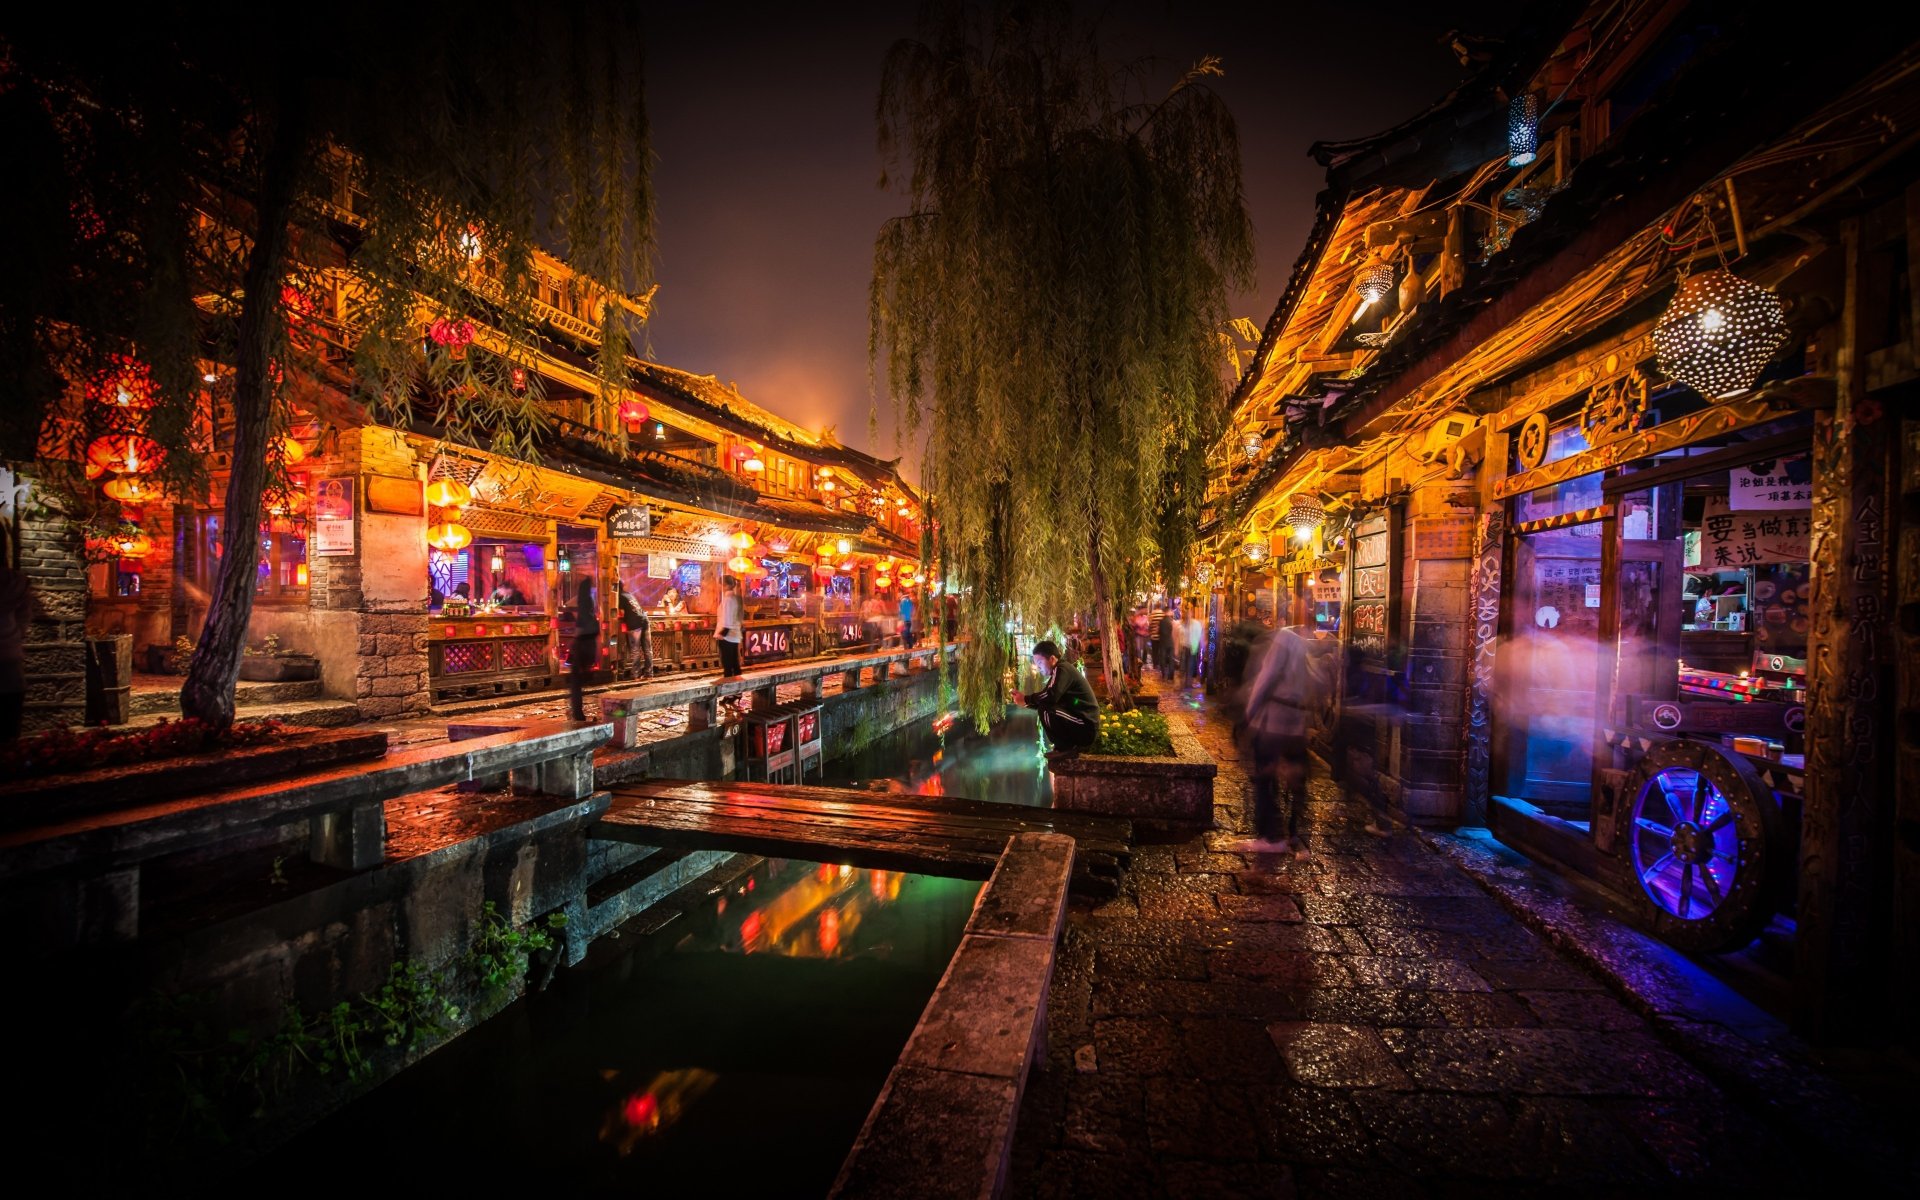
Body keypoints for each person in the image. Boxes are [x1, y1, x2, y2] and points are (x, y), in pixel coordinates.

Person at [1237, 623, 1332, 859]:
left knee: (1264, 777)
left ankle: (1270, 837)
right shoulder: (1305, 647)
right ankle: (1296, 835)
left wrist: (1248, 713)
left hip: (1273, 722)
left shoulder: (1282, 639)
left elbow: (1266, 678)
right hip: (1296, 723)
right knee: (1297, 781)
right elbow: (1319, 684)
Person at [1012, 639, 1099, 756]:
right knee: (1045, 707)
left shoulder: (1062, 669)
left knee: (1046, 709)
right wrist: (1025, 702)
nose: (1038, 668)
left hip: (1085, 727)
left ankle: (1065, 748)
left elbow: (1050, 695)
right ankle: (1063, 747)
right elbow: (1047, 698)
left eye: (1040, 663)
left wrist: (1026, 699)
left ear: (1052, 659)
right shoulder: (1059, 670)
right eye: (1037, 665)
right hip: (1081, 726)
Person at [0, 565, 28, 741]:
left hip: (9, 658)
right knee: (9, 729)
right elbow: (23, 620)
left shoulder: (16, 582)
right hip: (9, 655)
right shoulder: (16, 583)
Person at [567, 577, 600, 721]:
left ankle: (577, 712)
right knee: (580, 678)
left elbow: (581, 624)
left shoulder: (583, 602)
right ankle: (578, 711)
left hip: (582, 644)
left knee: (575, 681)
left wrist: (574, 640)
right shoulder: (590, 603)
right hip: (590, 644)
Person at [616, 580, 652, 678]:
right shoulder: (628, 594)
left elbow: (621, 614)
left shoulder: (618, 596)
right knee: (647, 649)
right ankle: (649, 673)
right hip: (644, 620)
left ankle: (636, 674)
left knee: (635, 650)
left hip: (634, 623)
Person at [715, 574, 744, 677]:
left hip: (727, 635)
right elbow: (740, 617)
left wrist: (723, 632)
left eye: (720, 585)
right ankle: (737, 689)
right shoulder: (736, 599)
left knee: (728, 663)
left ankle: (730, 687)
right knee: (734, 663)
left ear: (725, 585)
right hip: (734, 634)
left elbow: (727, 618)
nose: (719, 587)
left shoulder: (728, 599)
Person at [1181, 604, 1206, 688]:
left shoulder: (1195, 624)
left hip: (1191, 647)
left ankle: (1187, 683)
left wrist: (1202, 645)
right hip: (1187, 647)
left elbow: (1200, 636)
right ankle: (1186, 682)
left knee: (1189, 665)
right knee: (1187, 665)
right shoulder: (1184, 624)